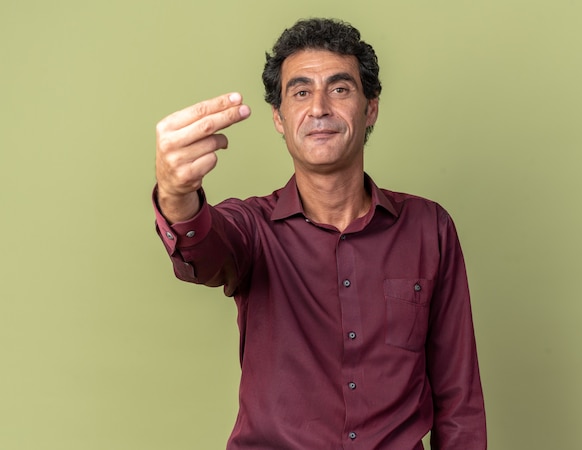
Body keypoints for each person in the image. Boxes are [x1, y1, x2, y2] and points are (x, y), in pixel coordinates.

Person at [153, 18, 487, 449]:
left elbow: (458, 399)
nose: (319, 108)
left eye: (340, 88)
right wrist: (176, 194)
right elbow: (203, 254)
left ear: (370, 108)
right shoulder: (252, 229)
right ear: (279, 116)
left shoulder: (429, 228)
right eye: (301, 91)